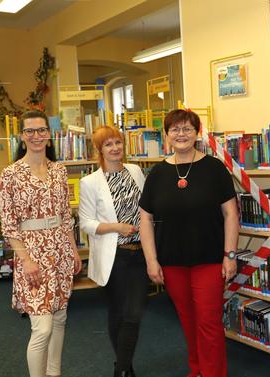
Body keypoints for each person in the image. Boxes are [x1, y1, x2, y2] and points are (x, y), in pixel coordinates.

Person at [139, 109, 239, 377]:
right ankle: (197, 370)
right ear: (166, 135)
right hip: (172, 261)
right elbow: (145, 220)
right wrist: (151, 261)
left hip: (209, 259)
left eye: (187, 129)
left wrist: (230, 254)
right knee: (188, 321)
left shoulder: (214, 168)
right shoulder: (157, 173)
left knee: (208, 323)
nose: (181, 134)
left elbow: (231, 214)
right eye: (175, 129)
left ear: (197, 133)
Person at [0, 110, 82, 377]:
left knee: (59, 318)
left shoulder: (59, 170)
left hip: (60, 249)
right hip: (31, 254)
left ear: (49, 135)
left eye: (41, 130)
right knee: (42, 327)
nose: (36, 136)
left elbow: (65, 216)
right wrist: (26, 260)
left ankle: (53, 372)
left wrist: (73, 250)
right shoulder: (10, 174)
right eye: (30, 131)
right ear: (22, 137)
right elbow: (9, 224)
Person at [78, 126, 147, 377]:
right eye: (108, 144)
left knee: (134, 313)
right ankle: (125, 368)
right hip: (114, 255)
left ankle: (120, 368)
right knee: (119, 312)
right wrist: (116, 227)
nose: (115, 148)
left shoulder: (136, 171)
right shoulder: (90, 182)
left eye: (118, 142)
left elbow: (148, 207)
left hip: (140, 253)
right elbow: (85, 222)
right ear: (99, 150)